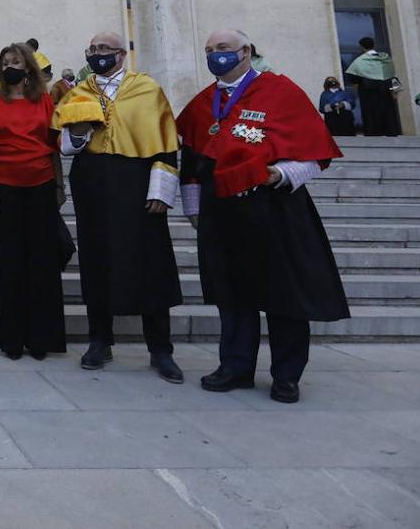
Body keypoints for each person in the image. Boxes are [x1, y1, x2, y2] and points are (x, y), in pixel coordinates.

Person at [178, 29, 349, 404]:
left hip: (275, 207)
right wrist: (193, 207)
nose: (216, 55)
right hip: (222, 212)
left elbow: (315, 154)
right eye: (209, 50)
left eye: (223, 48)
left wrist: (281, 174)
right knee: (232, 293)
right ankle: (235, 366)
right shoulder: (204, 103)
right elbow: (190, 159)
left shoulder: (280, 92)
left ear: (246, 52)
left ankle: (287, 374)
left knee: (284, 292)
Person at [53, 31, 184, 383]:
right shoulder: (78, 92)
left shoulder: (147, 89)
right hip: (93, 181)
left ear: (121, 54)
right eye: (92, 49)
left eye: (104, 49)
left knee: (151, 261)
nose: (97, 54)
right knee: (97, 259)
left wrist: (161, 190)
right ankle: (100, 340)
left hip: (138, 179)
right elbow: (66, 144)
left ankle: (160, 348)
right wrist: (79, 130)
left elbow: (166, 143)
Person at [0, 43, 67, 360]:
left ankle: (41, 338)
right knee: (11, 261)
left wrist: (59, 184)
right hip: (5, 188)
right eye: (4, 62)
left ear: (28, 67)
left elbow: (53, 145)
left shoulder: (44, 101)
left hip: (41, 185)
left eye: (15, 61)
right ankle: (12, 338)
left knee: (42, 262)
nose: (8, 66)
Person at [346, 37, 401, 136]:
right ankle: (391, 131)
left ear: (362, 47)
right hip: (385, 93)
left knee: (372, 117)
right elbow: (391, 74)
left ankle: (373, 132)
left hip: (369, 94)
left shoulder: (360, 61)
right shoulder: (385, 58)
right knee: (388, 115)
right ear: (374, 45)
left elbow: (352, 77)